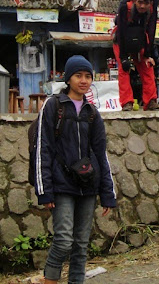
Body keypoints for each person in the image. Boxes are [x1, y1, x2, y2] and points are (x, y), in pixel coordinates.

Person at [34, 55, 116, 284]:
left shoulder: (92, 112)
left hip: (88, 185)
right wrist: (45, 190)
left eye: (88, 76)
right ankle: (50, 280)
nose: (84, 80)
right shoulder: (54, 106)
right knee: (63, 240)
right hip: (62, 184)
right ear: (68, 78)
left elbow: (102, 155)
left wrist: (108, 194)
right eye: (78, 75)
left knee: (81, 244)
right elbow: (43, 148)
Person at [113, 0, 159, 111]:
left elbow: (151, 31)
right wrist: (124, 57)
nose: (142, 6)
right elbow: (121, 31)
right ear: (134, 0)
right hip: (122, 40)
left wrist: (148, 55)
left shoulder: (152, 11)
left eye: (146, 3)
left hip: (140, 40)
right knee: (124, 70)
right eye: (140, 2)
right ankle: (126, 103)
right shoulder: (125, 8)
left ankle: (151, 101)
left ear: (151, 3)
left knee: (148, 67)